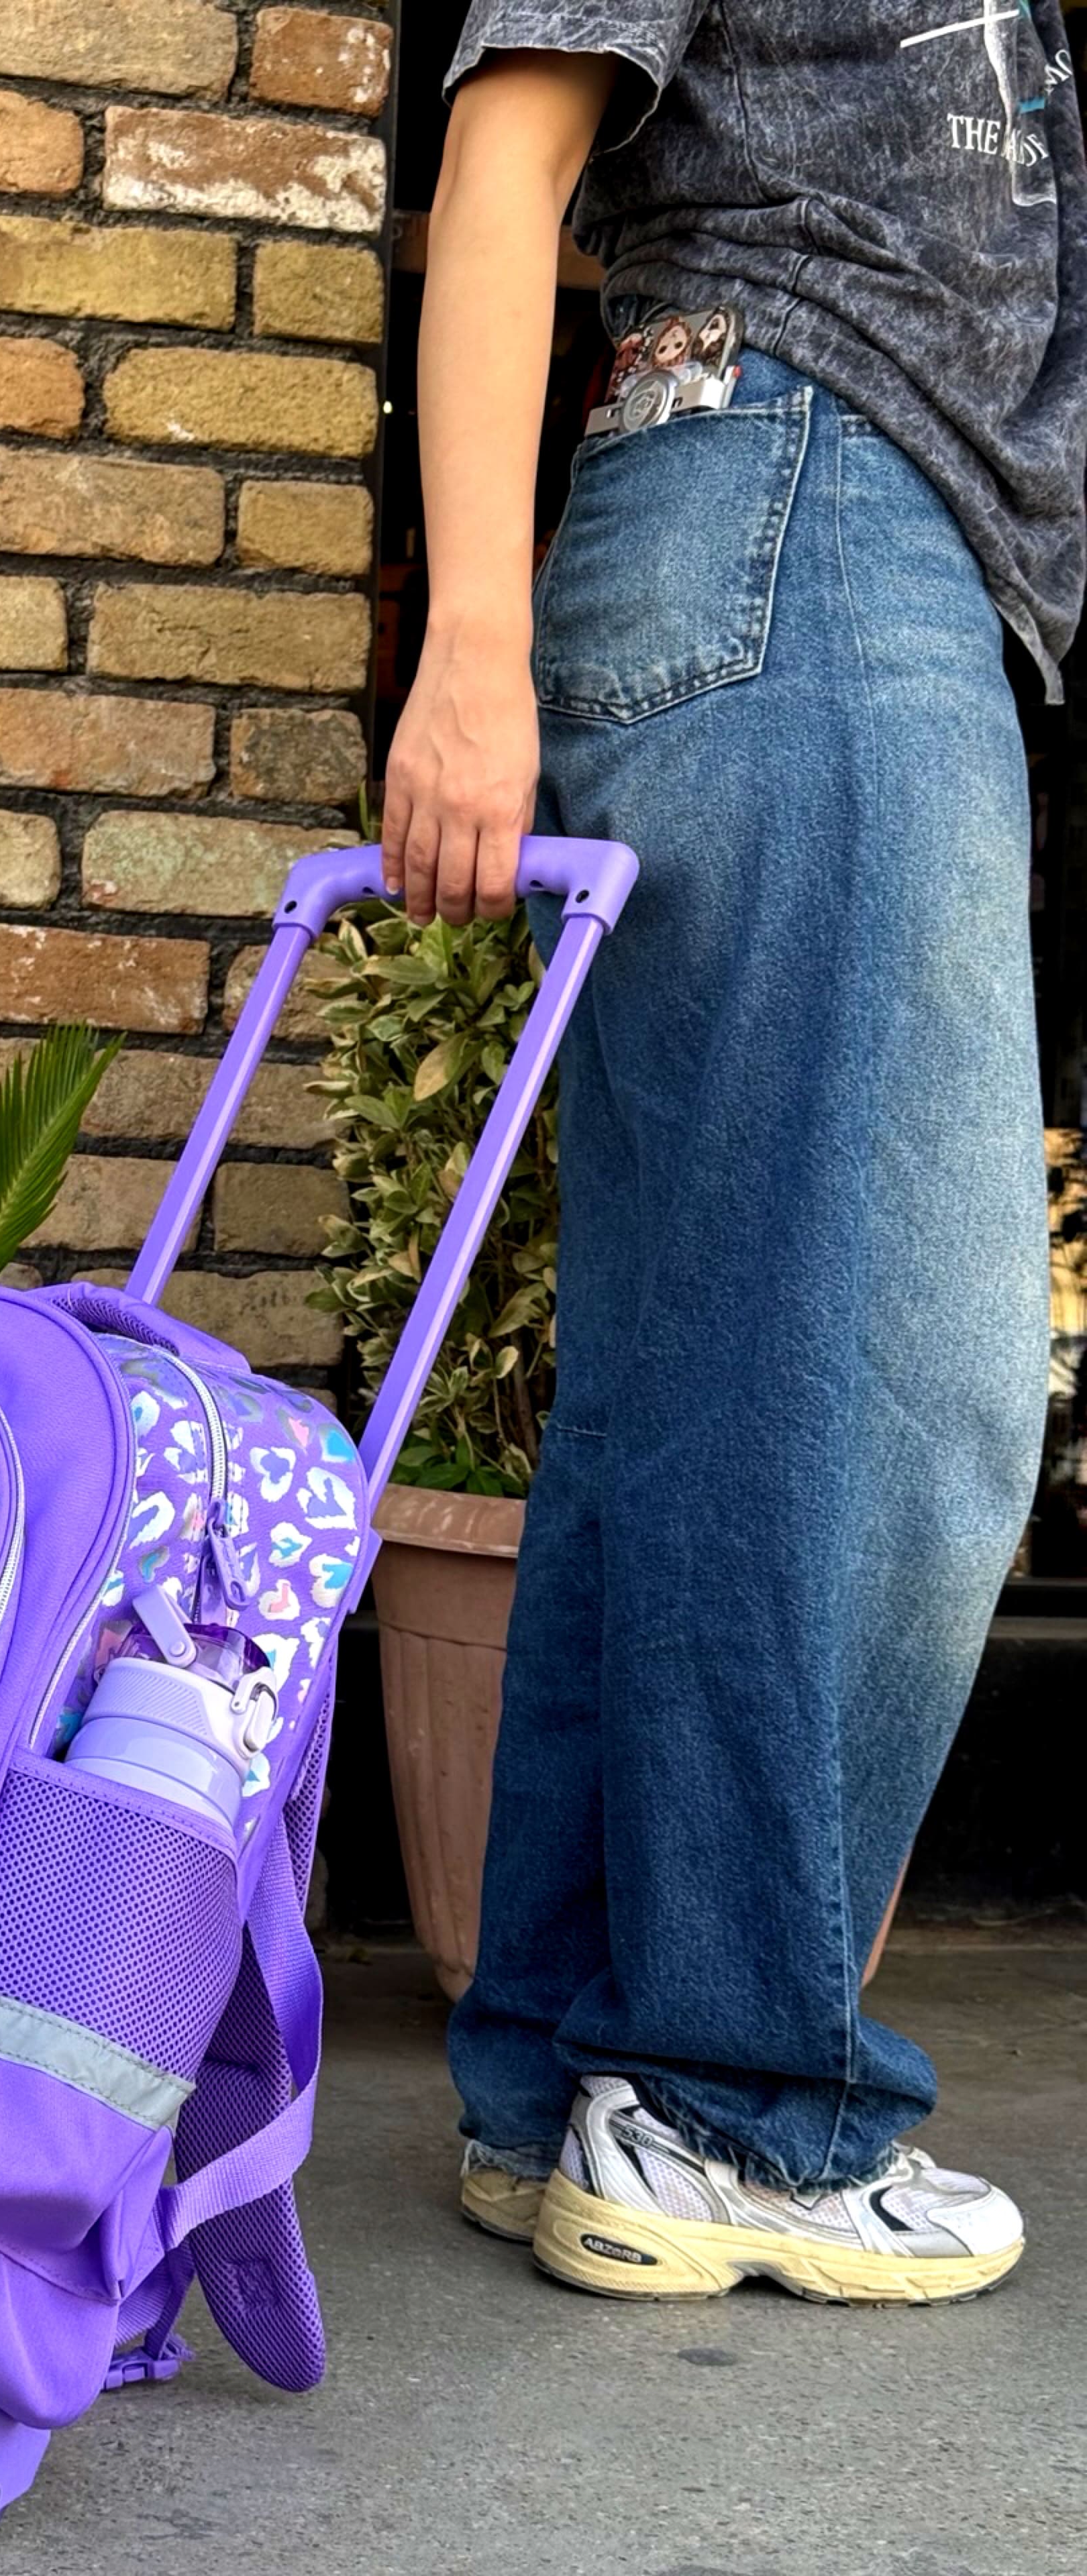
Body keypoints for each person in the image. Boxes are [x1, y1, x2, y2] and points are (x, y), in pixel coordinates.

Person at [382, 5, 1084, 2302]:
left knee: (691, 1375)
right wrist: (465, 642)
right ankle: (728, 2107)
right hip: (810, 529)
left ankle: (571, 2091)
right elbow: (506, 154)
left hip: (808, 545)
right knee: (895, 1377)